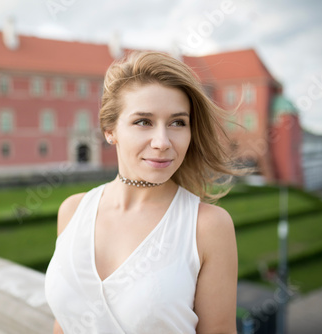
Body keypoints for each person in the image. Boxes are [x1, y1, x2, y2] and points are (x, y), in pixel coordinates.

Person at [44, 50, 242, 334]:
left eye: (177, 123)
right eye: (143, 121)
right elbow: (64, 324)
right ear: (109, 130)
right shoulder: (73, 210)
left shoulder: (207, 227)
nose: (162, 141)